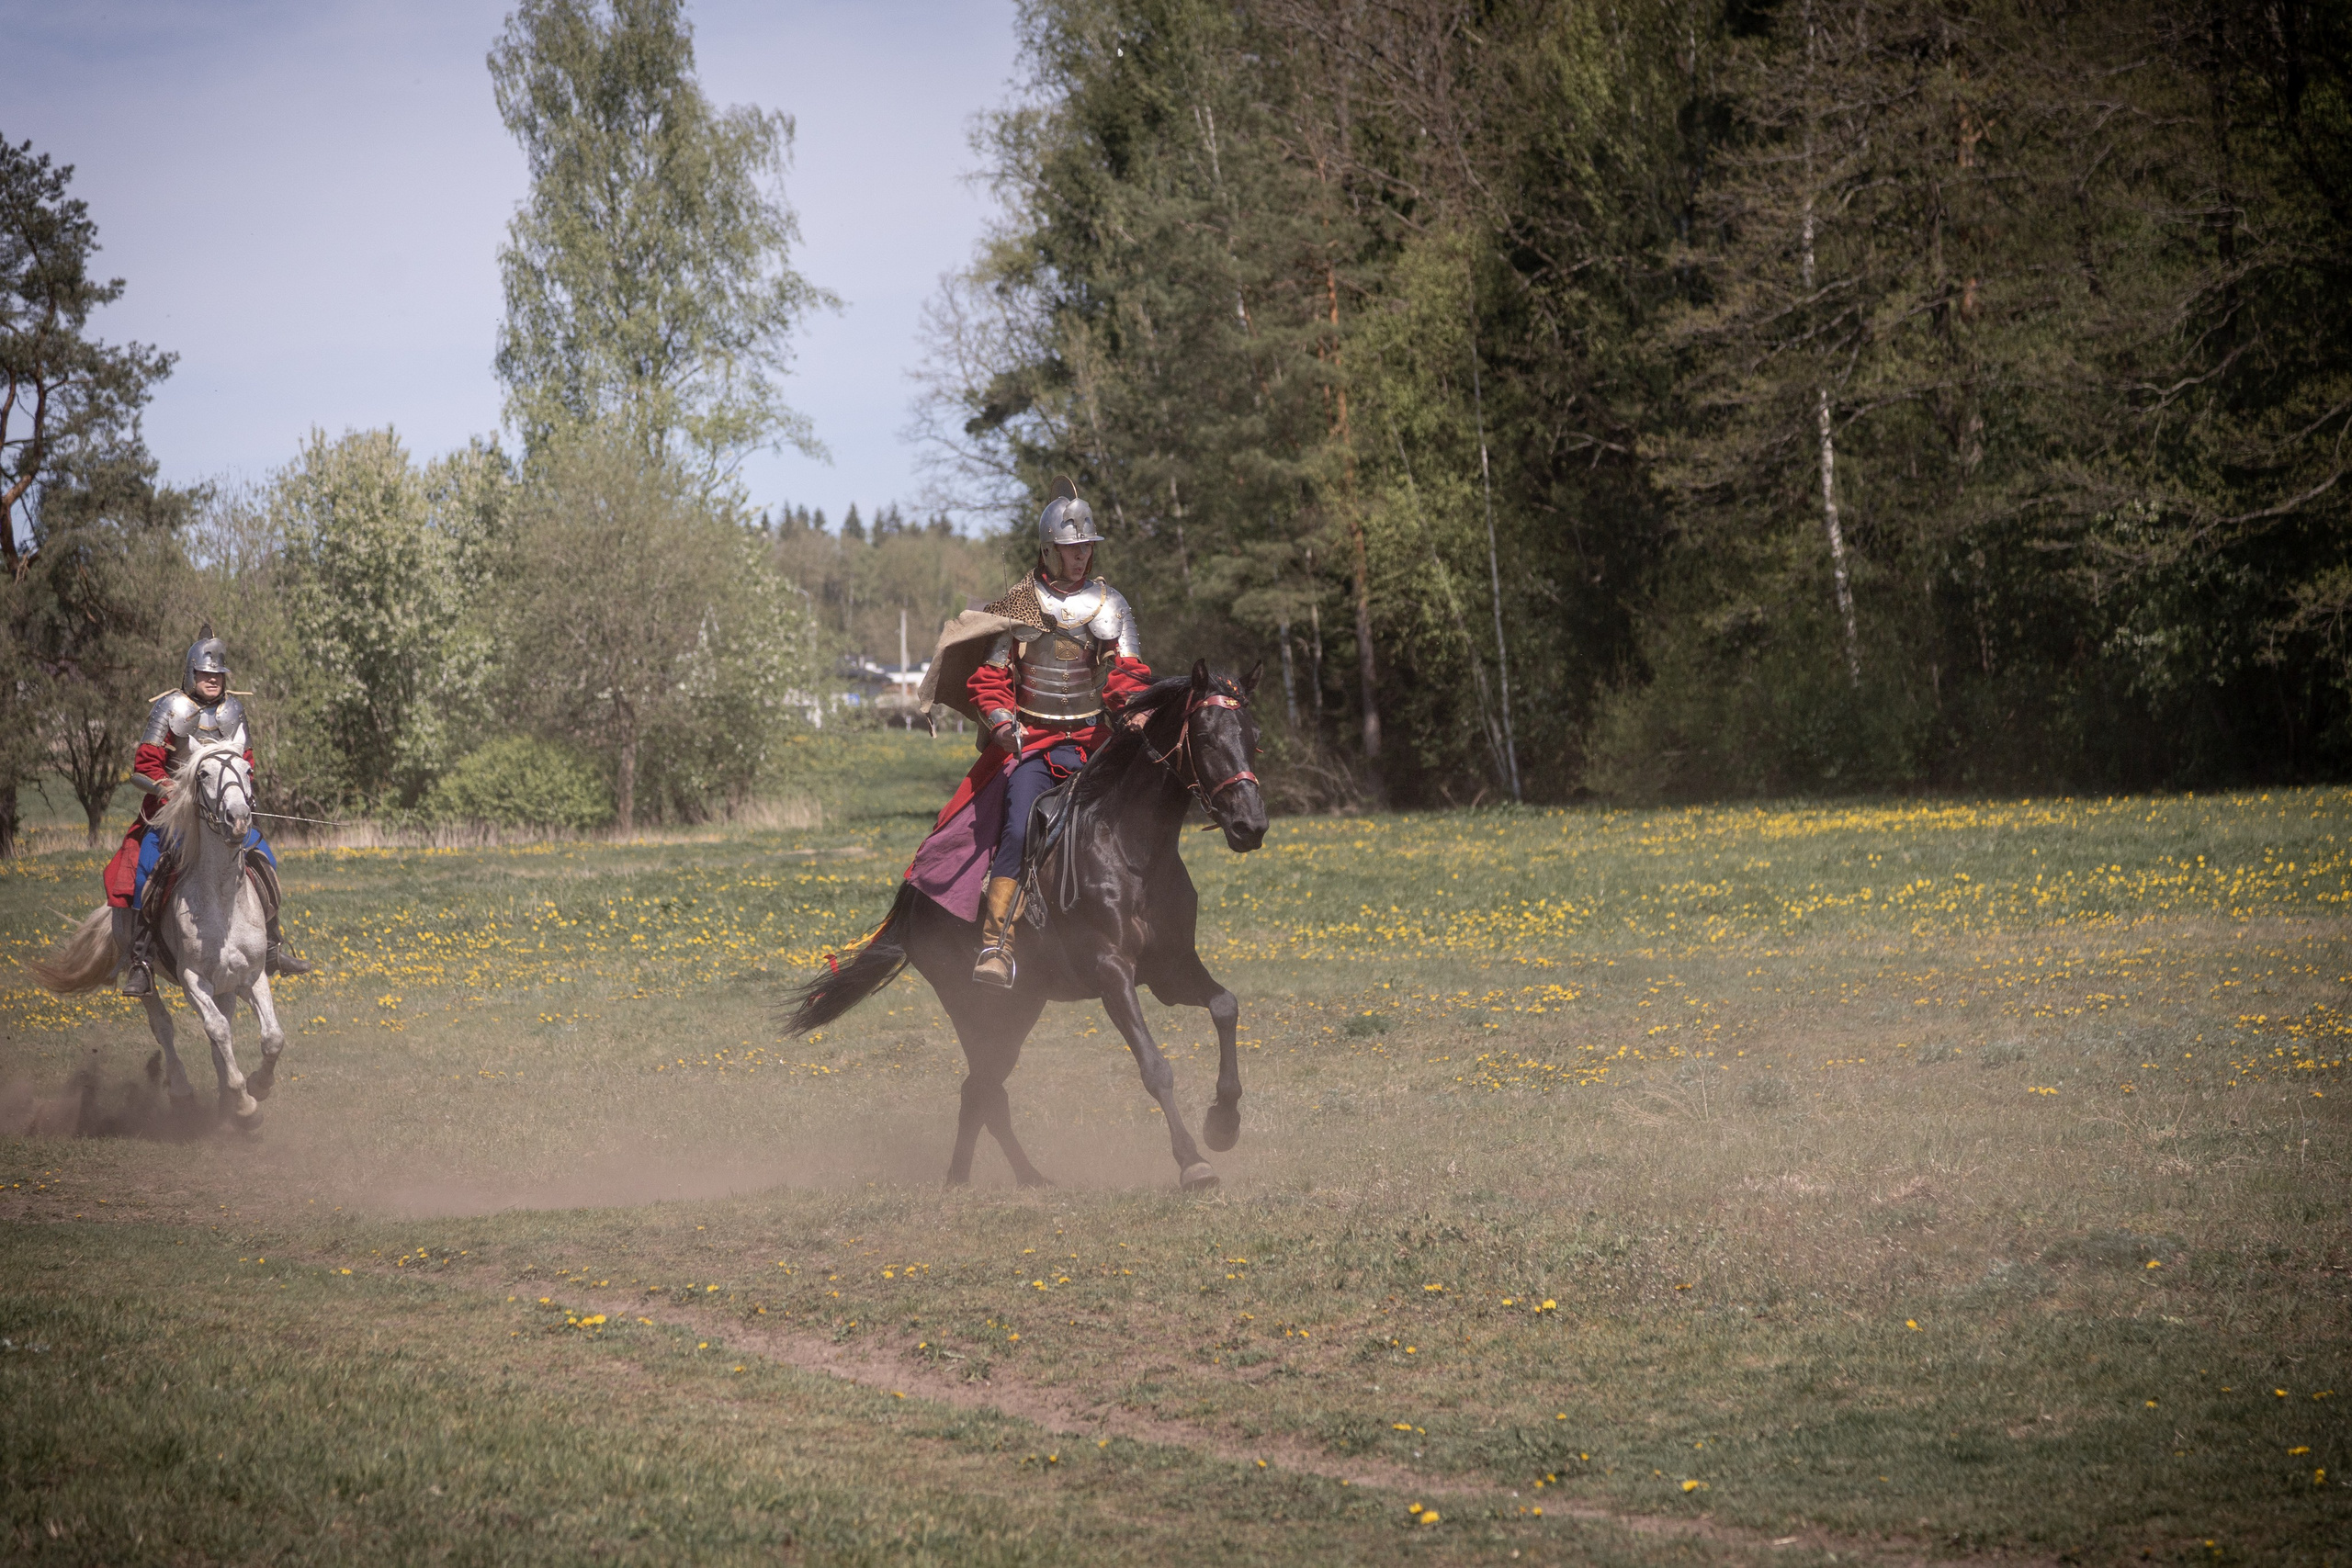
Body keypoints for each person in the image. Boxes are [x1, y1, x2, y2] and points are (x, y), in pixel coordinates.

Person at [965, 480, 1153, 987]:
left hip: (1093, 742)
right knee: (1022, 827)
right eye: (1072, 549)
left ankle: (1153, 925)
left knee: (1137, 816)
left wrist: (1132, 708)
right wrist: (1002, 720)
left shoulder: (1110, 604)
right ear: (1049, 549)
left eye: (1087, 547)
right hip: (1035, 743)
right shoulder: (1021, 605)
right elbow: (991, 678)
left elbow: (1126, 670)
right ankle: (997, 945)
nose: (1081, 557)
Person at [103, 635, 311, 996]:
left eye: (218, 674)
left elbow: (246, 761)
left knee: (264, 860)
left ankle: (273, 947)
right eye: (204, 673)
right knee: (147, 867)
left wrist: (244, 793)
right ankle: (142, 961)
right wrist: (169, 789)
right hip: (176, 813)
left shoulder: (233, 710)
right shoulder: (170, 708)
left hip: (226, 813)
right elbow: (142, 767)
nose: (212, 679)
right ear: (191, 672)